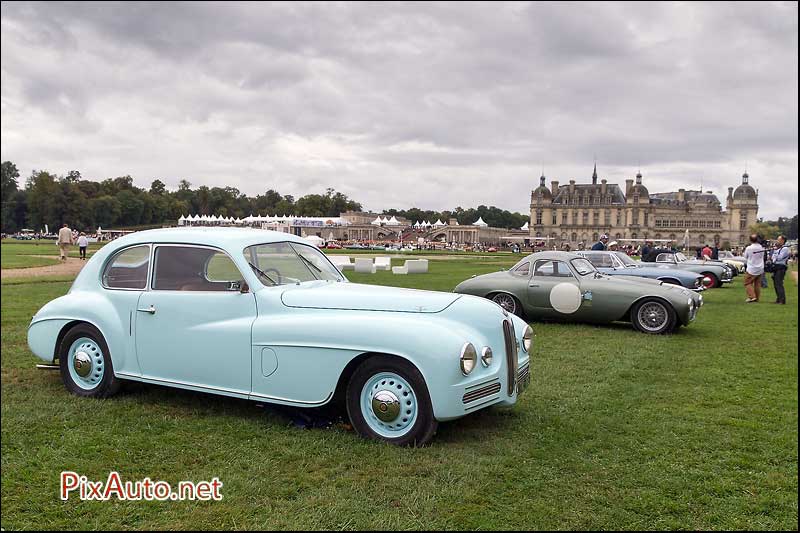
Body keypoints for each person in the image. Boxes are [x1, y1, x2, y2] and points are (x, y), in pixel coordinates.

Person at [743, 234, 765, 303]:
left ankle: (752, 296)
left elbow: (745, 256)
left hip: (752, 268)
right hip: (760, 268)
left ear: (750, 240)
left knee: (747, 283)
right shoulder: (761, 247)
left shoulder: (749, 248)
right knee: (757, 284)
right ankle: (757, 298)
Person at [770, 235, 790, 304]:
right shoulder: (777, 248)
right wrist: (775, 254)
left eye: (778, 239)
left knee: (779, 283)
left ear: (782, 241)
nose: (777, 241)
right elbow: (772, 257)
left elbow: (780, 257)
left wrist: (775, 255)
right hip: (775, 267)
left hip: (781, 267)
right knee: (775, 284)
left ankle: (782, 300)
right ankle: (778, 298)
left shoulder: (785, 249)